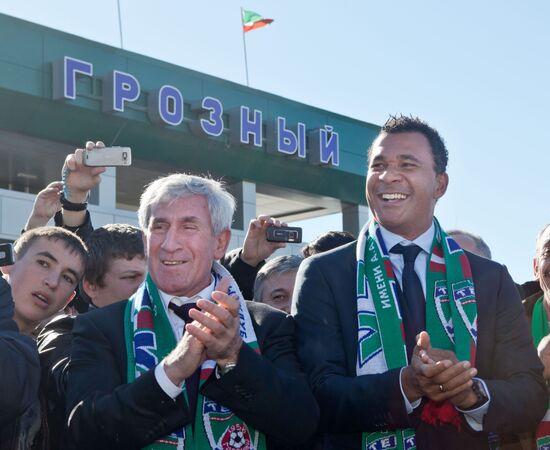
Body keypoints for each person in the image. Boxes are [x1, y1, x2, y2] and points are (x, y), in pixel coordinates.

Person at [292, 115, 546, 449]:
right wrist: (405, 385)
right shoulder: (324, 273)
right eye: (378, 165)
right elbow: (313, 396)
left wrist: (471, 393)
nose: (388, 176)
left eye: (407, 164)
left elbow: (530, 396)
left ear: (440, 184)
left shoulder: (489, 278)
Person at [66, 173, 318, 449]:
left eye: (189, 227)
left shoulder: (267, 323)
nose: (170, 244)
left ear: (220, 242)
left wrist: (234, 357)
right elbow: (84, 433)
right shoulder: (101, 327)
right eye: (159, 226)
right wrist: (171, 372)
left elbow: (301, 425)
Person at [1, 226, 86, 448]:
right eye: (43, 263)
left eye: (67, 277)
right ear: (8, 263)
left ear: (69, 299)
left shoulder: (53, 366)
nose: (53, 282)